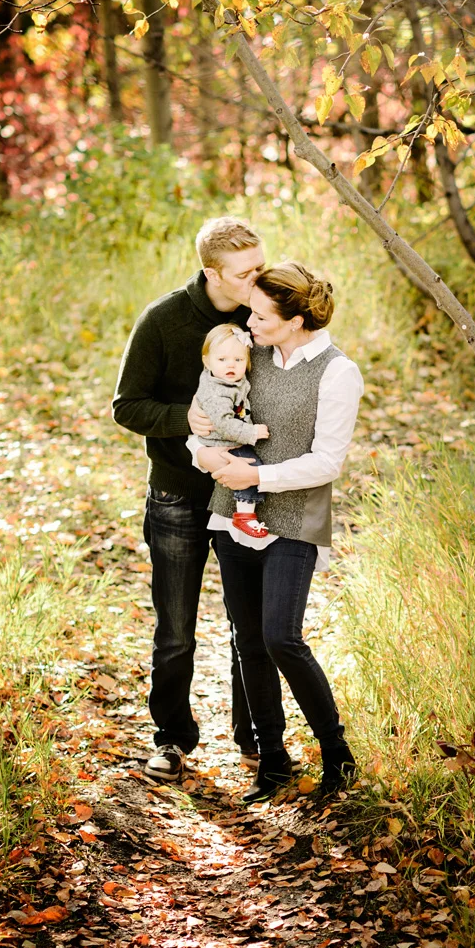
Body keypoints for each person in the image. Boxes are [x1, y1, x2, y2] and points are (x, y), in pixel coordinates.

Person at [193, 261, 362, 802]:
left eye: (262, 315)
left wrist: (257, 475)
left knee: (281, 638)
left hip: (294, 520)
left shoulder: (338, 372)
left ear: (294, 320)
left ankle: (337, 756)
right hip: (231, 514)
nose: (250, 320)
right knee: (248, 642)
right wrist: (202, 450)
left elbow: (328, 461)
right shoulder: (248, 357)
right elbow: (207, 416)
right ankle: (273, 761)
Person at [112, 216, 266, 783]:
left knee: (248, 627)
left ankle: (255, 742)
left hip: (244, 496)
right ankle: (173, 741)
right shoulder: (162, 321)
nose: (257, 280)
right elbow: (127, 406)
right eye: (245, 274)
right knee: (175, 627)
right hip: (177, 494)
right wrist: (185, 419)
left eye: (260, 267)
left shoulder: (262, 317)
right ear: (211, 273)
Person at [185, 323, 271, 539]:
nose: (230, 365)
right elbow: (224, 424)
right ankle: (245, 514)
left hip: (225, 438)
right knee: (250, 467)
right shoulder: (217, 393)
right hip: (221, 443)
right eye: (222, 360)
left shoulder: (224, 380)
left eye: (238, 360)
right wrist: (252, 433)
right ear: (207, 361)